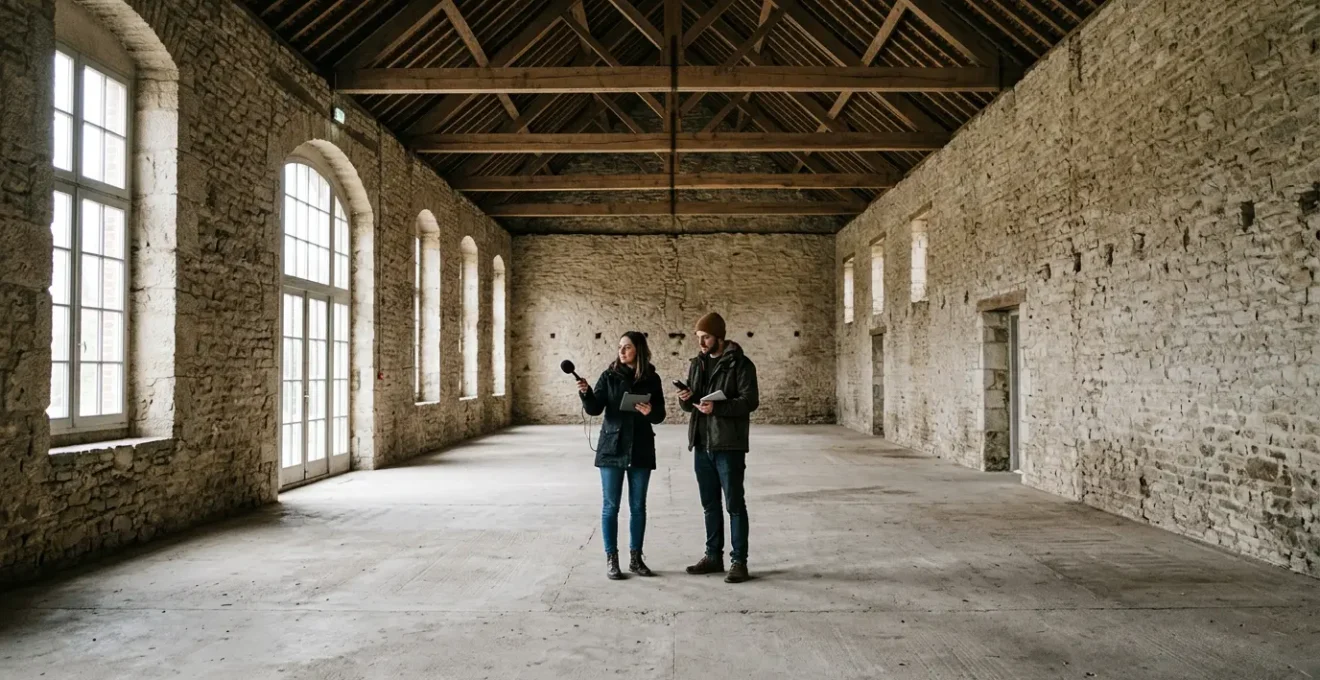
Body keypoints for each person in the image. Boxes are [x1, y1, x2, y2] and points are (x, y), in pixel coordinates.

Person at [676, 312, 759, 583]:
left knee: (734, 504)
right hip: (702, 443)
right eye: (699, 337)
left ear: (719, 337)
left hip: (728, 444)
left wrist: (718, 408)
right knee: (709, 505)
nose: (701, 342)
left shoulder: (741, 364)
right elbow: (691, 406)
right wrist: (686, 398)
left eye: (706, 337)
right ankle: (713, 556)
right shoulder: (697, 364)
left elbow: (750, 401)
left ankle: (739, 562)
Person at [578, 331, 666, 580]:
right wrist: (586, 393)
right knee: (611, 506)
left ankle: (636, 559)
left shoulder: (652, 378)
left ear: (639, 349)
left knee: (638, 507)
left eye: (627, 347)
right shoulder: (609, 376)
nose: (622, 351)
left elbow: (660, 415)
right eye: (620, 347)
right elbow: (594, 409)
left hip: (640, 446)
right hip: (612, 447)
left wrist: (650, 411)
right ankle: (612, 559)